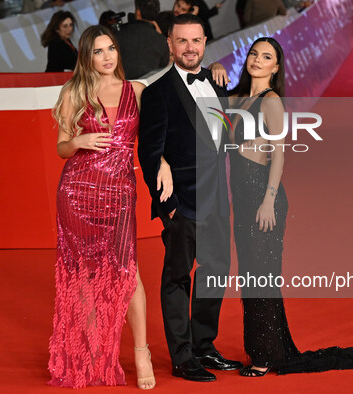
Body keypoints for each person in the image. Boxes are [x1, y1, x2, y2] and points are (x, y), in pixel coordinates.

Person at [225, 37, 353, 376]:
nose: (258, 60)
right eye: (254, 54)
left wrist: (269, 201)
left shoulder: (271, 101)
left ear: (276, 67)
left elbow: (280, 153)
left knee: (262, 275)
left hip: (263, 195)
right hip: (242, 197)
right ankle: (266, 347)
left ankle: (264, 356)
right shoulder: (237, 98)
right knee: (250, 275)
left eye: (267, 57)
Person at [48, 24, 166, 390]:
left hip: (118, 192)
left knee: (127, 273)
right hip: (78, 190)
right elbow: (62, 148)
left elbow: (152, 140)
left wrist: (161, 163)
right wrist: (78, 139)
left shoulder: (137, 90)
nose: (107, 56)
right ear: (87, 56)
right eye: (98, 51)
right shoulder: (74, 92)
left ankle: (140, 351)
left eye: (111, 48)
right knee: (83, 273)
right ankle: (92, 352)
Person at [137, 14, 242, 382]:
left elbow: (220, 142)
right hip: (182, 201)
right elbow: (149, 152)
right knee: (178, 278)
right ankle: (182, 357)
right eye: (182, 41)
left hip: (217, 197)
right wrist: (169, 206)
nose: (190, 48)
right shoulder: (157, 93)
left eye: (196, 41)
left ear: (204, 42)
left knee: (214, 273)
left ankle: (204, 346)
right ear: (169, 44)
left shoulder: (216, 83)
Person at [115, 0, 170, 79]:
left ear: (138, 12)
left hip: (125, 88)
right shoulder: (161, 40)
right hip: (153, 87)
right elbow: (164, 66)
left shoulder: (118, 36)